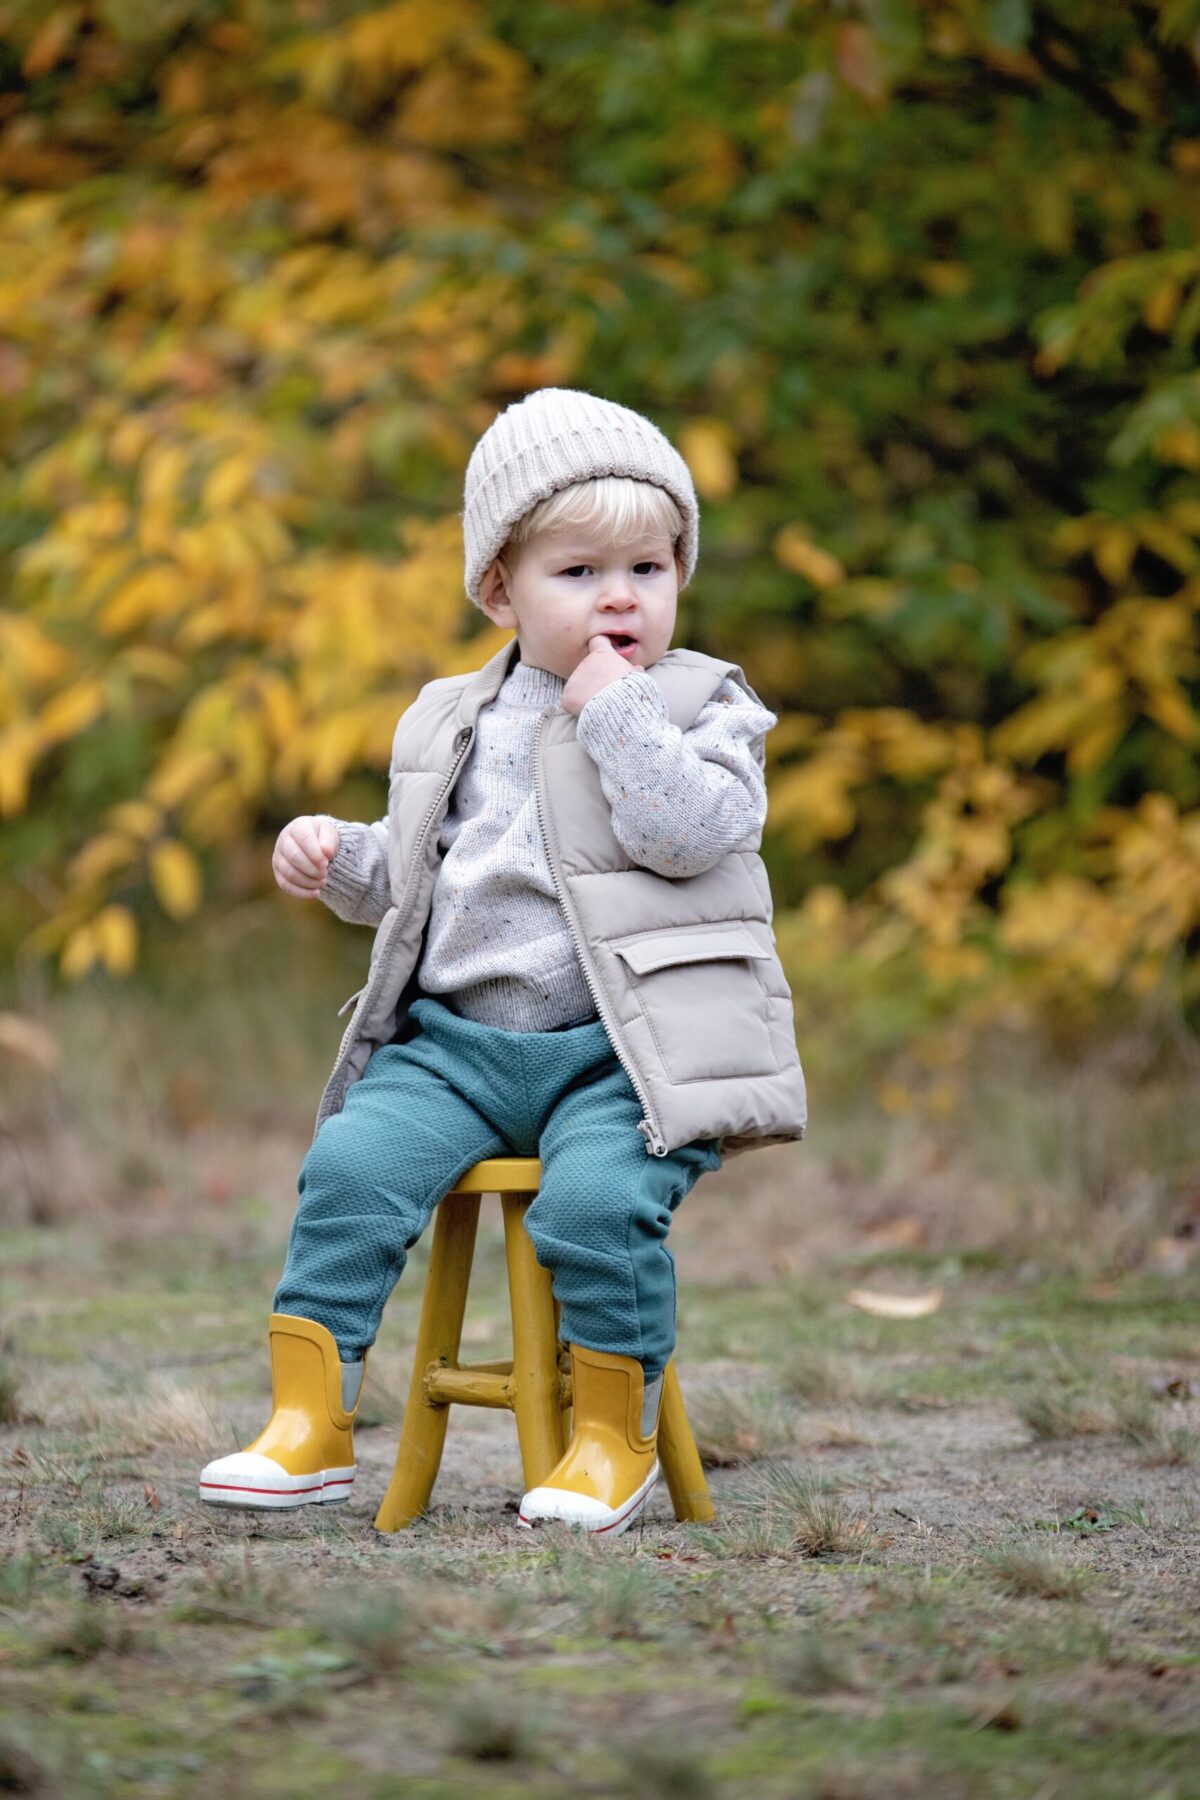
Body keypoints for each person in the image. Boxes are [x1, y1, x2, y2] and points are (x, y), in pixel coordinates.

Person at [199, 387, 807, 1535]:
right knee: (348, 1173)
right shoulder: (452, 718)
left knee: (592, 1205)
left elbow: (689, 835)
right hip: (459, 1050)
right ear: (500, 590)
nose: (619, 594)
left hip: (621, 1059)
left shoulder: (701, 707)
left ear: (681, 574)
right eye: (578, 573)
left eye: (649, 567)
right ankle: (309, 1421)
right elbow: (429, 885)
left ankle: (608, 1440)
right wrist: (338, 861)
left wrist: (617, 710)